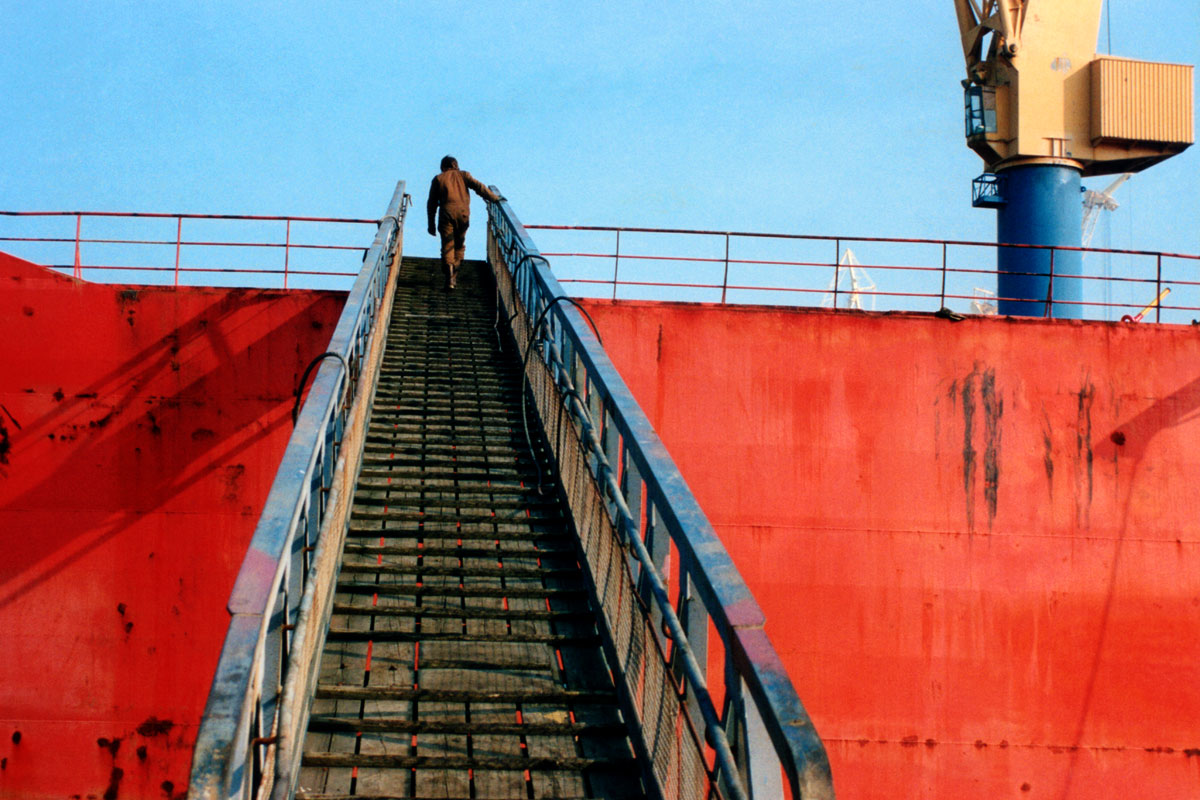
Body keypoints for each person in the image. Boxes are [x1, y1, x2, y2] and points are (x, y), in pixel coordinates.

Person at [426, 155, 500, 289]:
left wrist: (430, 223)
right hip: (463, 214)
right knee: (459, 245)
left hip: (446, 213)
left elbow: (431, 203)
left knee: (447, 244)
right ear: (456, 165)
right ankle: (455, 272)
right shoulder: (464, 175)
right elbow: (479, 187)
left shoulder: (438, 179)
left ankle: (448, 272)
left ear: (443, 167)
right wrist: (494, 198)